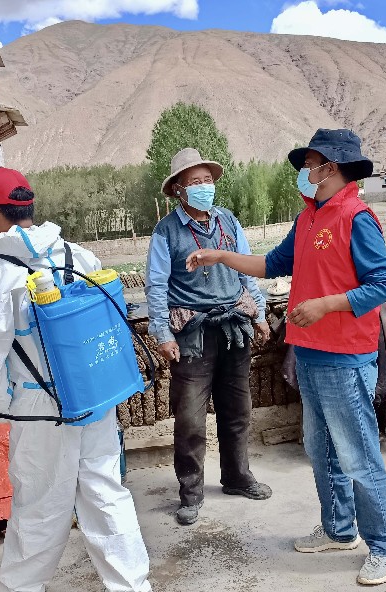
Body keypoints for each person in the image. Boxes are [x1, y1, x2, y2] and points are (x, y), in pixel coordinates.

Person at [186, 129, 386, 586]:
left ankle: (385, 545)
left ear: (332, 168)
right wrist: (221, 256)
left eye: (310, 163)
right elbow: (271, 264)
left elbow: (384, 284)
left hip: (346, 357)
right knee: (321, 450)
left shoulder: (356, 217)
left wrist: (326, 305)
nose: (304, 171)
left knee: (358, 456)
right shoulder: (308, 218)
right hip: (309, 353)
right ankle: (339, 530)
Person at [0, 168, 151, 592]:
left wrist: (2, 411)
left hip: (38, 405)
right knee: (106, 492)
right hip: (92, 395)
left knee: (40, 502)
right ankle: (133, 586)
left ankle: (20, 589)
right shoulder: (76, 255)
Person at [145, 148, 273, 526]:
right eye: (195, 182)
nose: (204, 187)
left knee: (238, 410)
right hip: (192, 334)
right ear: (179, 189)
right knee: (189, 419)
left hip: (234, 327)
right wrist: (162, 333)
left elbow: (246, 271)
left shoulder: (228, 221)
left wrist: (259, 313)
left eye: (207, 180)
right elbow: (156, 286)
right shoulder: (166, 231)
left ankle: (237, 477)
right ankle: (190, 493)